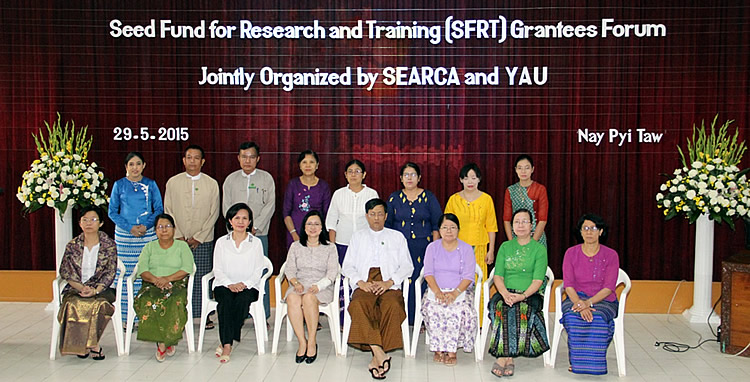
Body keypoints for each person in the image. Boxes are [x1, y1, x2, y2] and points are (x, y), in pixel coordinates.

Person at [342, 198, 413, 380]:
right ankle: (380, 353)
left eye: (380, 214)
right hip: (365, 282)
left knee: (392, 307)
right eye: (372, 214)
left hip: (389, 283)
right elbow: (347, 266)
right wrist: (360, 282)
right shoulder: (357, 237)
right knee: (357, 305)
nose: (376, 218)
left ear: (386, 216)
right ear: (366, 216)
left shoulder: (396, 237)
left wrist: (389, 282)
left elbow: (408, 266)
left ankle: (376, 356)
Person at [487, 208, 549, 377]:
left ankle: (502, 356)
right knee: (500, 307)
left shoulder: (539, 249)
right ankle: (510, 358)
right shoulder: (505, 247)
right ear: (512, 226)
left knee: (520, 309)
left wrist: (522, 296)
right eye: (517, 222)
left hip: (530, 294)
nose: (520, 225)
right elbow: (498, 276)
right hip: (505, 291)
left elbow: (537, 281)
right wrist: (505, 293)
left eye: (524, 222)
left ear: (532, 225)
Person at [164, 145, 220, 328]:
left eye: (197, 158)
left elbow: (214, 213)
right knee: (179, 277)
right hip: (178, 240)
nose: (192, 161)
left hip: (202, 240)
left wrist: (199, 237)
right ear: (183, 160)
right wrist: (178, 235)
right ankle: (178, 314)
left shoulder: (211, 184)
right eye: (189, 157)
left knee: (203, 277)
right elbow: (168, 210)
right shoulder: (173, 182)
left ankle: (204, 315)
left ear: (202, 161)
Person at [222, 141, 276, 323]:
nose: (247, 160)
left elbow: (270, 205)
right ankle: (239, 313)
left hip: (258, 234)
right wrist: (239, 226)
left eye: (251, 157)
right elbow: (226, 208)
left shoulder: (266, 178)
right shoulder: (231, 180)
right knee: (236, 272)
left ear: (258, 159)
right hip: (235, 237)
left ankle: (263, 316)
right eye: (244, 157)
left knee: (260, 273)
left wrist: (255, 226)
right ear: (238, 158)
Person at [561, 214, 620, 375]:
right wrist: (580, 303)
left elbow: (609, 288)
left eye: (593, 228)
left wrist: (589, 303)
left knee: (597, 318)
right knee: (573, 317)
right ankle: (578, 362)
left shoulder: (611, 255)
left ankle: (594, 364)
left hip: (604, 300)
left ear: (600, 232)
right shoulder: (571, 253)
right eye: (585, 228)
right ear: (580, 232)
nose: (589, 232)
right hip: (575, 297)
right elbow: (569, 285)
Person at [109, 152, 163, 324]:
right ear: (126, 167)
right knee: (125, 275)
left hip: (147, 235)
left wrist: (146, 226)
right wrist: (129, 227)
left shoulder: (151, 184)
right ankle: (126, 319)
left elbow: (159, 209)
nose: (135, 167)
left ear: (144, 165)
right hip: (125, 237)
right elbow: (112, 212)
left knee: (146, 273)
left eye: (138, 164)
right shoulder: (119, 185)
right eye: (131, 164)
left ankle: (146, 318)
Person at [57, 206, 117, 359]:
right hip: (76, 288)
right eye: (85, 220)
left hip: (102, 289)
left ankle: (88, 344)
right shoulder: (72, 246)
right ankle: (90, 345)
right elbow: (66, 271)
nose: (89, 223)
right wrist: (81, 288)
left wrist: (95, 290)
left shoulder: (109, 245)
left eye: (93, 220)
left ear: (101, 223)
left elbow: (110, 272)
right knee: (73, 304)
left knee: (97, 304)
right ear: (80, 223)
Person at [132, 214, 195, 362]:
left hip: (176, 283)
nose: (164, 230)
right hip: (151, 284)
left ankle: (164, 342)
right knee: (148, 300)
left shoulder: (182, 246)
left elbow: (186, 268)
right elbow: (143, 269)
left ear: (174, 229)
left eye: (167, 226)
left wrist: (167, 279)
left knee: (174, 300)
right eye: (160, 227)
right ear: (155, 230)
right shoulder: (149, 247)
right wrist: (156, 280)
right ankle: (165, 341)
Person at [386, 162, 441, 324]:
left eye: (413, 175)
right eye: (406, 175)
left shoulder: (429, 197)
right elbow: (387, 225)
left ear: (419, 178)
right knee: (402, 280)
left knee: (422, 280)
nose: (409, 178)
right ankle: (401, 318)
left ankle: (421, 320)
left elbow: (436, 224)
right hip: (399, 249)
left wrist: (435, 249)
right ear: (401, 179)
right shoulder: (394, 198)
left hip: (424, 247)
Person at [421, 213, 478, 366]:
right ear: (439, 230)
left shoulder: (466, 249)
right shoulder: (432, 247)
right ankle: (439, 348)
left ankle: (452, 350)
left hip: (460, 291)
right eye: (445, 227)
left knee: (459, 310)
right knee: (433, 307)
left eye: (453, 227)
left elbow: (468, 276)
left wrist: (455, 293)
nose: (449, 231)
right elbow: (428, 273)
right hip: (436, 289)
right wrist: (437, 292)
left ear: (458, 229)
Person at [212, 203, 266, 363]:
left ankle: (225, 343)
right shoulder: (222, 242)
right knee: (225, 302)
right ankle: (228, 344)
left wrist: (244, 284)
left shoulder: (255, 243)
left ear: (250, 222)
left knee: (242, 301)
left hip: (249, 286)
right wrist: (230, 284)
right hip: (224, 284)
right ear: (230, 221)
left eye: (245, 218)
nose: (241, 222)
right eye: (237, 218)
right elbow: (218, 269)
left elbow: (258, 270)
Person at [444, 163, 498, 319]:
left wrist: (491, 250)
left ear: (479, 179)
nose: (470, 181)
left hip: (480, 248)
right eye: (466, 177)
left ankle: (479, 321)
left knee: (479, 284)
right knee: (457, 283)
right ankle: (457, 318)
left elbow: (491, 227)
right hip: (457, 249)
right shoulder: (454, 200)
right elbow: (447, 226)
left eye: (473, 178)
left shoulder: (486, 199)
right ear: (461, 179)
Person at [285, 210, 339, 364]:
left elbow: (332, 273)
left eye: (317, 224)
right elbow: (289, 269)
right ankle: (302, 341)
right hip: (299, 284)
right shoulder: (296, 246)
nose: (313, 227)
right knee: (292, 298)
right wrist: (295, 283)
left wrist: (319, 285)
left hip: (322, 287)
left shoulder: (330, 247)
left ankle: (312, 341)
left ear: (322, 228)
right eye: (309, 224)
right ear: (304, 227)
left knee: (309, 298)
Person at [283, 149, 332, 248]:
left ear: (317, 165)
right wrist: (294, 234)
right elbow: (286, 213)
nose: (308, 165)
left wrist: (319, 235)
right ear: (300, 165)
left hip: (317, 235)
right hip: (295, 233)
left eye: (312, 162)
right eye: (304, 162)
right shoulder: (293, 184)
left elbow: (328, 213)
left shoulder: (323, 186)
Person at [503, 154, 549, 247]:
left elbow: (543, 219)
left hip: (536, 239)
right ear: (515, 170)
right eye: (520, 168)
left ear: (532, 169)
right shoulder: (510, 190)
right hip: (516, 238)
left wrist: (532, 244)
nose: (523, 171)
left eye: (527, 168)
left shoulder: (540, 189)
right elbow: (506, 219)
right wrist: (512, 242)